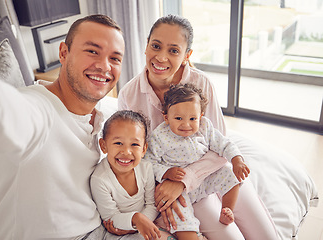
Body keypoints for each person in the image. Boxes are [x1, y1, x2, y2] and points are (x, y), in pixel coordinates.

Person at [0, 14, 137, 240]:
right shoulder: (38, 109)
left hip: (99, 229)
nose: (105, 66)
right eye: (92, 51)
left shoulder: (100, 116)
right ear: (64, 53)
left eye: (115, 58)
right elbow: (6, 114)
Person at [118, 14, 278, 240]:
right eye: (156, 46)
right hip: (175, 183)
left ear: (186, 55)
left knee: (267, 236)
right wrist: (161, 189)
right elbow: (136, 155)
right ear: (146, 46)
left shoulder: (201, 83)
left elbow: (219, 145)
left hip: (211, 171)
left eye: (173, 50)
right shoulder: (129, 95)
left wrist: (184, 181)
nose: (161, 57)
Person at [144, 83, 249, 240]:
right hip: (178, 189)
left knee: (229, 174)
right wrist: (166, 172)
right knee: (181, 217)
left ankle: (226, 210)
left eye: (192, 118)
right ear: (166, 117)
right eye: (178, 118)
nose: (186, 125)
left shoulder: (205, 127)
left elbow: (224, 144)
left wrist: (237, 159)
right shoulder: (159, 136)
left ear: (200, 116)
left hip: (202, 180)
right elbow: (148, 162)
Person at [90, 110, 161, 240]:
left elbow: (152, 204)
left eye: (134, 144)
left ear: (144, 149)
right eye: (118, 143)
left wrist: (141, 223)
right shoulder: (100, 179)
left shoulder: (146, 168)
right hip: (117, 231)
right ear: (104, 146)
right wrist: (135, 220)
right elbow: (110, 217)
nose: (126, 152)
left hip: (145, 223)